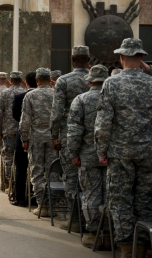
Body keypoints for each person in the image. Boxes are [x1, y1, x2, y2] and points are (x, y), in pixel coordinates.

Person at [95, 38, 152, 258]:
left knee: (120, 201)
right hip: (147, 152)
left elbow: (103, 122)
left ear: (121, 58)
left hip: (120, 153)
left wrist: (102, 150)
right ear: (141, 58)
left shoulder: (112, 83)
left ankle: (127, 250)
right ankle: (141, 248)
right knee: (145, 200)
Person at [67, 65, 109, 249]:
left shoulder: (81, 100)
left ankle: (94, 234)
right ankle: (110, 232)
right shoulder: (112, 97)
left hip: (88, 156)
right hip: (111, 156)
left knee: (91, 195)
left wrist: (73, 153)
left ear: (90, 80)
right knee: (110, 195)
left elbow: (75, 131)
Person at [50, 46, 90, 231]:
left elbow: (57, 112)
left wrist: (54, 136)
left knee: (71, 177)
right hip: (94, 138)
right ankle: (93, 221)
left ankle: (75, 219)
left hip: (68, 135)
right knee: (94, 179)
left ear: (73, 60)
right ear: (88, 60)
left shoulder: (63, 81)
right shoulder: (101, 80)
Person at [19, 68, 58, 217]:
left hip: (36, 137)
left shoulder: (31, 96)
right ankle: (52, 203)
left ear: (37, 80)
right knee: (52, 171)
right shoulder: (56, 94)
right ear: (50, 79)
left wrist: (24, 138)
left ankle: (42, 204)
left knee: (37, 170)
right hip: (53, 138)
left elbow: (25, 120)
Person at [11, 71, 37, 207]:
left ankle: (20, 198)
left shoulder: (20, 96)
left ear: (25, 83)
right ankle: (37, 197)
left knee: (21, 166)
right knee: (40, 168)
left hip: (23, 135)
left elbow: (16, 116)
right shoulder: (52, 95)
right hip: (42, 136)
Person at [0, 71, 26, 194]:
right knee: (22, 158)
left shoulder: (5, 93)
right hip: (23, 130)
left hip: (8, 129)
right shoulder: (25, 92)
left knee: (8, 156)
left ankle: (9, 184)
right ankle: (20, 184)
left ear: (11, 80)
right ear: (21, 79)